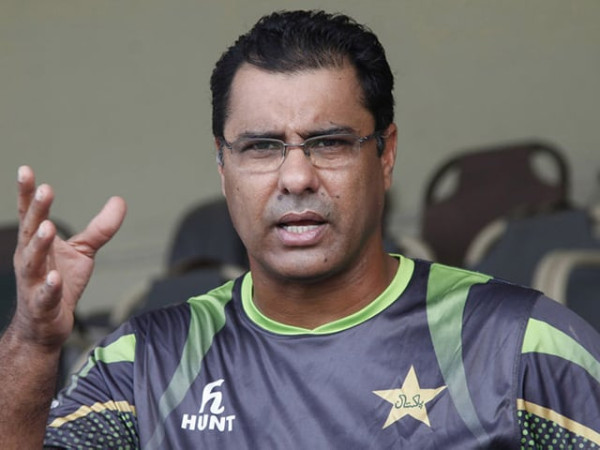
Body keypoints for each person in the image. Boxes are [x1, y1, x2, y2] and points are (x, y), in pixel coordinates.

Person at [1, 10, 599, 449]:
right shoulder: (144, 364)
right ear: (223, 167)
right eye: (261, 147)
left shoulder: (518, 347)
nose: (295, 177)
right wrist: (33, 341)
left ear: (385, 154)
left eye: (329, 142)